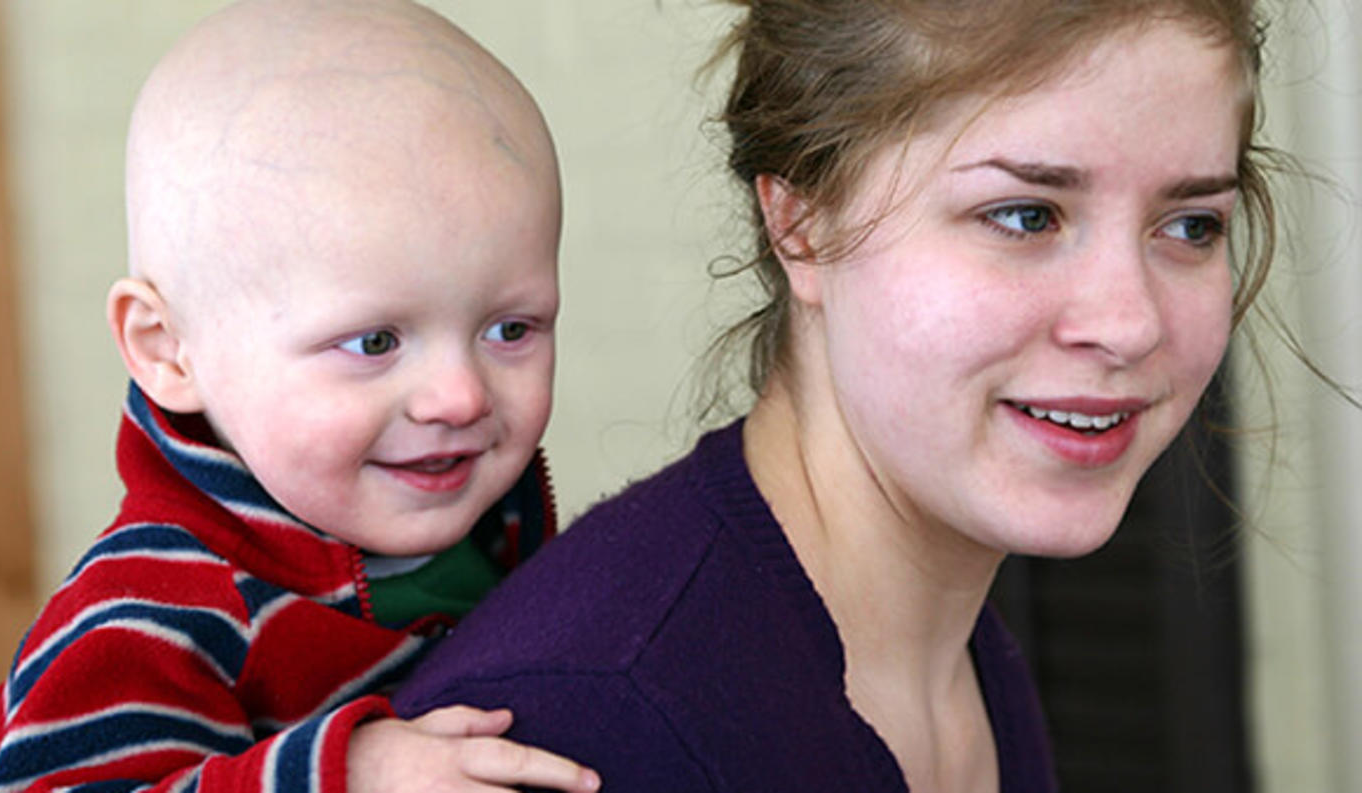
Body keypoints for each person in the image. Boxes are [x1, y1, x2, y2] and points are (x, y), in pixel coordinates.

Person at [392, 0, 1277, 790]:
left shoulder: (965, 655)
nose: (1129, 325)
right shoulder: (583, 726)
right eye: (1025, 215)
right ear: (803, 224)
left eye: (1191, 225)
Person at [0, 1, 601, 792]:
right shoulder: (144, 617)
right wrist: (345, 775)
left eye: (510, 329)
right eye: (375, 342)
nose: (458, 395)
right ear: (167, 349)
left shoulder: (501, 529)